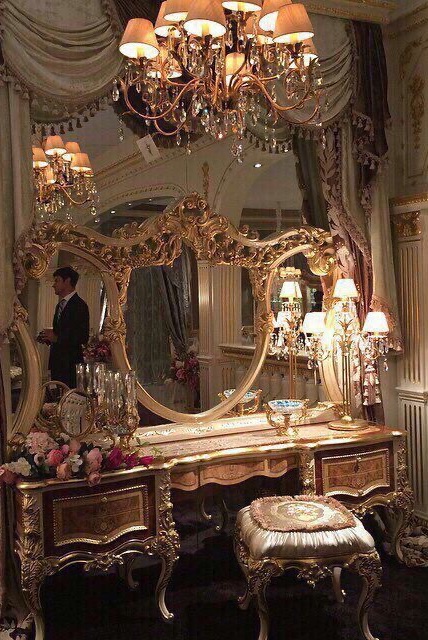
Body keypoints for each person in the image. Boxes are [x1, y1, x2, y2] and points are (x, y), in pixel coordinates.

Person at [39, 266, 89, 388]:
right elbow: (62, 331)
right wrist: (48, 337)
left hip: (70, 364)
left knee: (70, 396)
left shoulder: (79, 305)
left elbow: (82, 337)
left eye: (57, 280)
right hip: (58, 363)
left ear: (67, 281)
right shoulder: (60, 305)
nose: (53, 285)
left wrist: (56, 338)